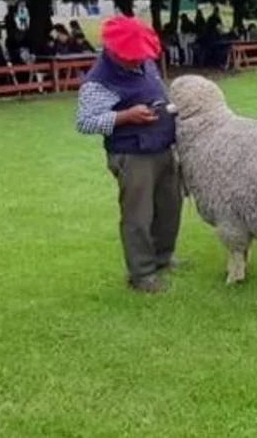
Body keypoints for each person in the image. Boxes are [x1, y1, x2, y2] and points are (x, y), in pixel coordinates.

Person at [75, 16, 181, 294]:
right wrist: (126, 116)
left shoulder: (144, 62)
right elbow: (85, 122)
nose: (140, 61)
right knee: (138, 215)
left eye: (142, 56)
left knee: (169, 206)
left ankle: (163, 256)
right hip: (132, 154)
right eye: (133, 57)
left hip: (161, 145)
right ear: (115, 52)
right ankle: (142, 274)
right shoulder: (98, 82)